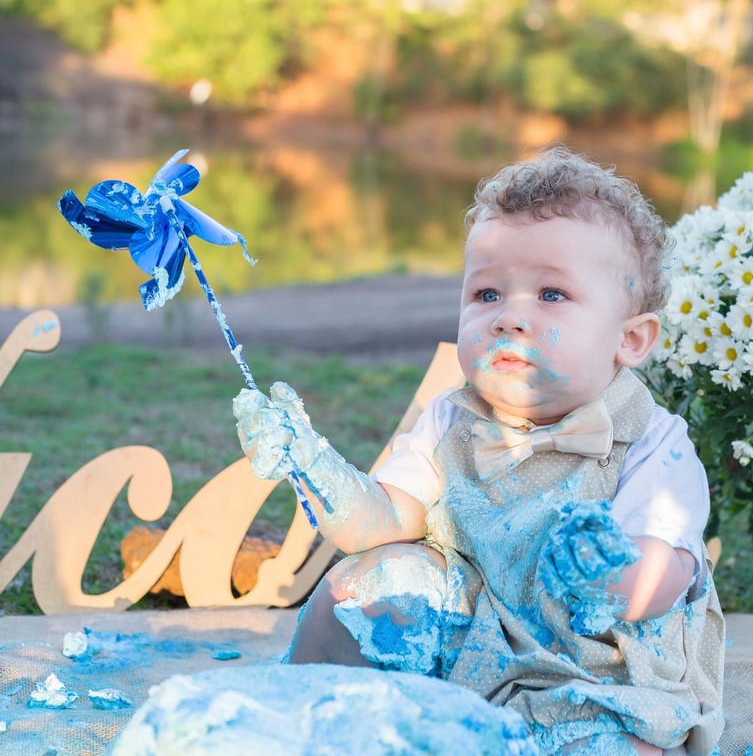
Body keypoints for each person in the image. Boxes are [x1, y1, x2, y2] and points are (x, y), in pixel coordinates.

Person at [233, 147, 724, 756]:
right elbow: (383, 522)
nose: (509, 318)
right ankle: (303, 720)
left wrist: (605, 572)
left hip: (596, 666)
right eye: (487, 294)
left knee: (616, 746)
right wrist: (313, 467)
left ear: (630, 339)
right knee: (355, 592)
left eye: (551, 294)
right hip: (474, 640)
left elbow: (663, 576)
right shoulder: (451, 417)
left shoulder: (653, 443)